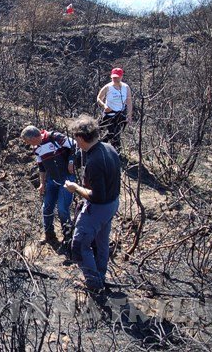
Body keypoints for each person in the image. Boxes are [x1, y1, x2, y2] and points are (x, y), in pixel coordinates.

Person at [64, 115, 121, 293]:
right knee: (101, 242)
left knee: (79, 245)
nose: (76, 142)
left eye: (76, 139)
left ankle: (94, 283)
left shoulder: (95, 162)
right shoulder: (109, 147)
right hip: (112, 204)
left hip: (98, 208)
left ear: (81, 138)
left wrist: (75, 188)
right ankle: (100, 276)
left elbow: (97, 196)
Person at [21, 125, 77, 248]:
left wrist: (71, 161)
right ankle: (49, 234)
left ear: (34, 137)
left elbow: (75, 145)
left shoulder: (54, 137)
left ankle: (68, 237)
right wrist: (42, 183)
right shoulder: (36, 148)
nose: (28, 144)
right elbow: (41, 167)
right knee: (46, 208)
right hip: (52, 180)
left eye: (28, 141)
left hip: (67, 178)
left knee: (62, 208)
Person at [96, 67, 132, 152]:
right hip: (109, 114)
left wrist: (129, 115)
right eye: (113, 77)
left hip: (120, 115)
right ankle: (109, 150)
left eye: (117, 77)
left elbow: (129, 102)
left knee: (115, 134)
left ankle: (109, 150)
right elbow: (99, 98)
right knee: (112, 134)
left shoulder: (126, 87)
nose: (115, 79)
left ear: (121, 77)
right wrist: (104, 106)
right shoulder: (108, 87)